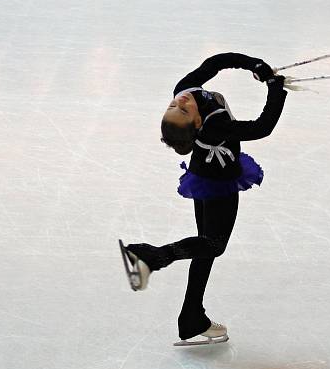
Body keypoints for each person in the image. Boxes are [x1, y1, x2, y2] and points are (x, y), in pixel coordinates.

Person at [119, 52, 288, 345]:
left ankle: (191, 318)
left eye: (174, 105)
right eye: (181, 110)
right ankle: (152, 256)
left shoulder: (185, 90)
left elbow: (214, 64)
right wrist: (275, 88)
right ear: (197, 123)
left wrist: (255, 65)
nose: (180, 102)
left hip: (204, 174)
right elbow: (262, 127)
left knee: (204, 247)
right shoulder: (213, 126)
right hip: (219, 183)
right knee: (214, 246)